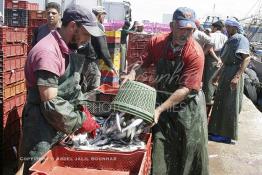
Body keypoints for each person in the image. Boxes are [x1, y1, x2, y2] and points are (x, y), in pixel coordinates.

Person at [122, 7, 209, 175]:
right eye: (181, 28)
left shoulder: (195, 53)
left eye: (190, 30)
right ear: (171, 26)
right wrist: (132, 74)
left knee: (187, 150)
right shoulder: (157, 42)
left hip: (187, 107)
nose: (185, 33)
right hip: (162, 101)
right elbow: (143, 63)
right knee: (160, 148)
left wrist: (159, 109)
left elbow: (185, 89)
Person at [20, 5, 104, 174]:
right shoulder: (48, 52)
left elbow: (71, 87)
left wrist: (82, 110)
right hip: (40, 128)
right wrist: (79, 121)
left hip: (57, 123)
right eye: (86, 34)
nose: (87, 40)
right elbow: (51, 102)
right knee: (38, 169)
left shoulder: (66, 48)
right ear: (73, 26)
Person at [208, 18, 250, 143]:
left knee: (229, 104)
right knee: (221, 103)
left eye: (228, 26)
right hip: (226, 72)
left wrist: (237, 77)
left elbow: (246, 59)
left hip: (233, 73)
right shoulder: (231, 40)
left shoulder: (240, 39)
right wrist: (217, 75)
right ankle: (218, 130)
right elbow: (226, 62)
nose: (226, 28)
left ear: (234, 27)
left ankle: (226, 135)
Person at [202, 20, 228, 106]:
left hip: (211, 59)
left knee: (208, 80)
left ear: (215, 27)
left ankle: (207, 101)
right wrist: (220, 60)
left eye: (212, 27)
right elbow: (225, 50)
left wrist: (217, 59)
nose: (211, 28)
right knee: (217, 79)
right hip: (221, 58)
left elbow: (210, 49)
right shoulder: (225, 37)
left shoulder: (211, 35)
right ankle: (214, 98)